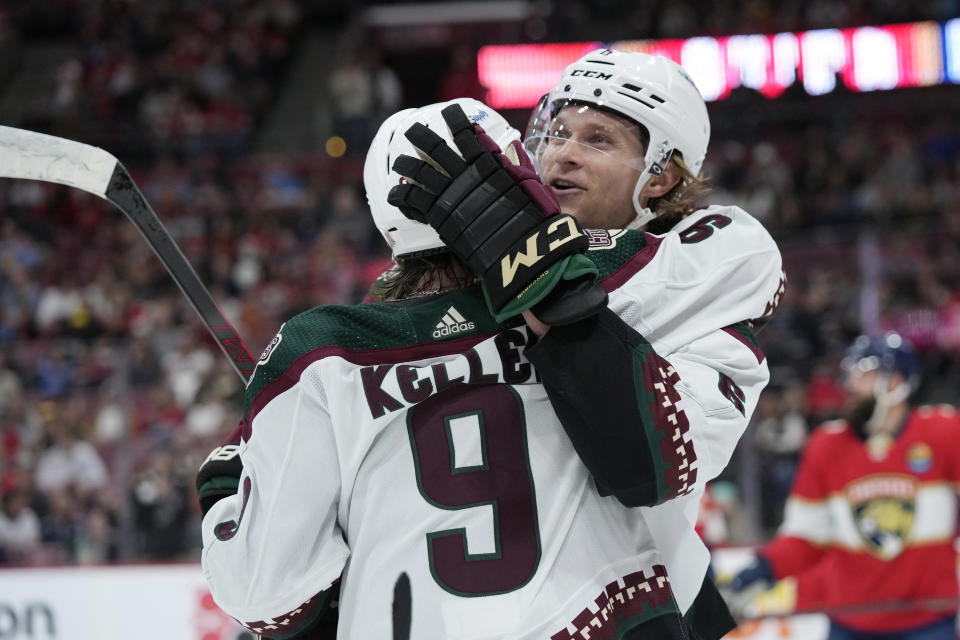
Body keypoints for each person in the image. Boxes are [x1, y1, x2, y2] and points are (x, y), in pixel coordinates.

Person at [200, 53, 781, 640]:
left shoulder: (706, 255)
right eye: (555, 133)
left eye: (598, 139)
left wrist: (253, 455)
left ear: (661, 177)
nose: (562, 154)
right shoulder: (545, 281)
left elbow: (651, 463)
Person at [722, 333, 960, 639]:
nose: (849, 386)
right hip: (850, 623)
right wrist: (756, 574)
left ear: (895, 382)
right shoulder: (827, 445)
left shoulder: (943, 433)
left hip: (928, 621)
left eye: (863, 375)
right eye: (849, 375)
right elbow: (807, 537)